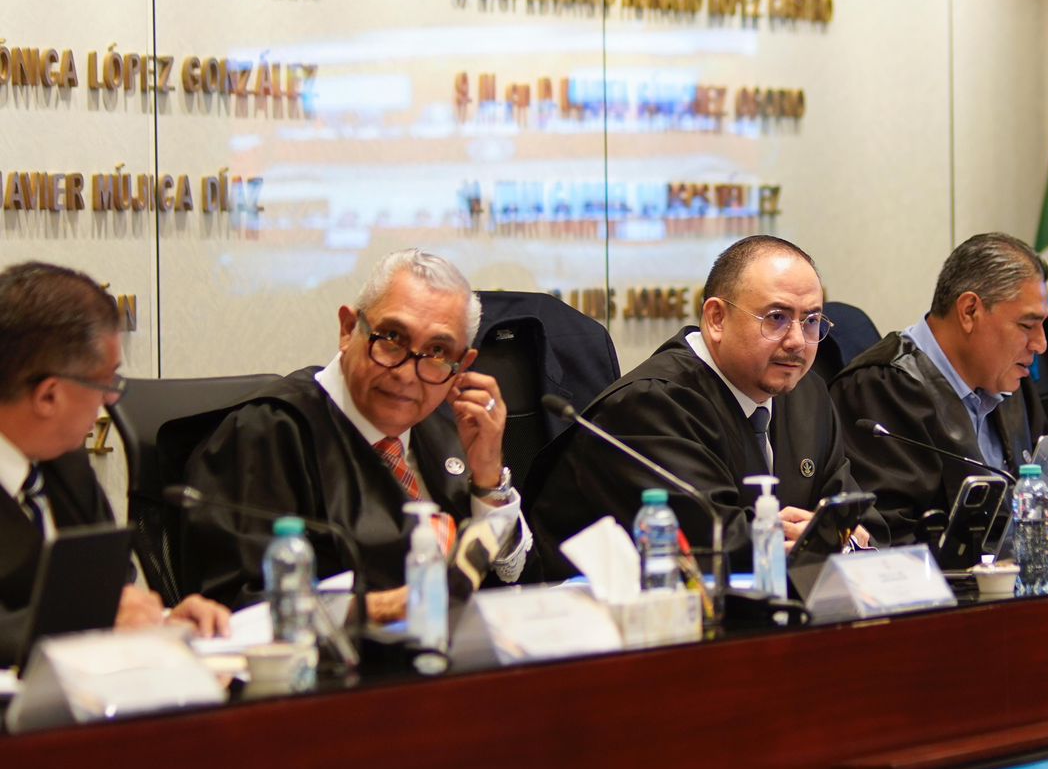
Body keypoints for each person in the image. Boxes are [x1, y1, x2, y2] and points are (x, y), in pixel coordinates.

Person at [184, 250, 531, 617]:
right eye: (392, 337)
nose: (406, 374)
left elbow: (517, 586)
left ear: (461, 365)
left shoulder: (449, 425)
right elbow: (237, 608)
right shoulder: (269, 432)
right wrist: (381, 610)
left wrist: (488, 481)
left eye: (437, 352)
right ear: (348, 329)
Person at [529, 235, 885, 577]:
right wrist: (823, 541)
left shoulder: (807, 393)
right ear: (717, 318)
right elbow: (716, 545)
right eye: (776, 317)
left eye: (811, 321)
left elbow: (862, 520)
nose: (797, 342)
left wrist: (844, 540)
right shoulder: (651, 404)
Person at [0, 262, 229, 666]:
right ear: (49, 396)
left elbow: (112, 590)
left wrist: (161, 623)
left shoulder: (66, 465)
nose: (112, 399)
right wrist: (96, 625)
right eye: (106, 382)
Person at [828, 232, 1048, 544]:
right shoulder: (878, 389)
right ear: (969, 311)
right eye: (1027, 326)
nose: (1040, 344)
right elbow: (889, 540)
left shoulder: (1010, 381)